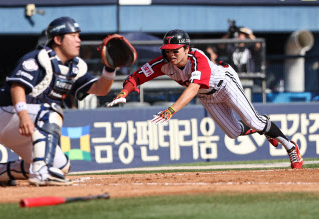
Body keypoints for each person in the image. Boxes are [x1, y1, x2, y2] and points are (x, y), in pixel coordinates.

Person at [107, 29, 303, 169]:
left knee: (252, 119)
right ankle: (262, 127)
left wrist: (171, 110)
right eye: (168, 50)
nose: (171, 54)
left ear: (186, 48)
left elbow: (193, 88)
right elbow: (136, 77)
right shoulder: (163, 63)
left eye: (176, 50)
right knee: (234, 132)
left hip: (225, 84)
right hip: (206, 96)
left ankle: (290, 146)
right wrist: (123, 93)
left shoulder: (197, 58)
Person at [0, 17, 117, 186]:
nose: (79, 40)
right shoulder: (38, 58)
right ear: (58, 39)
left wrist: (110, 69)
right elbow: (17, 87)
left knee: (61, 166)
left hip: (29, 121)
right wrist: (24, 116)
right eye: (73, 35)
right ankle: (40, 173)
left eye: (79, 35)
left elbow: (100, 89)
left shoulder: (75, 67)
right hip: (5, 114)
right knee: (51, 111)